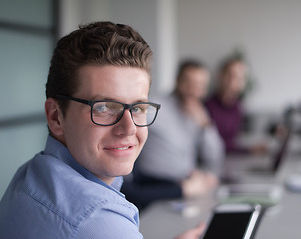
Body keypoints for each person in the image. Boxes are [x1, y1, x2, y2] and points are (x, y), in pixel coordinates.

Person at [0, 21, 204, 239]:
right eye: (105, 107)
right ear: (56, 116)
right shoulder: (98, 221)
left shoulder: (28, 177)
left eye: (138, 108)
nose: (129, 128)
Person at [121, 60, 225, 210]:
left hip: (187, 185)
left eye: (200, 85)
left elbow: (215, 156)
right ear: (177, 80)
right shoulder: (154, 106)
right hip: (155, 187)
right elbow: (130, 127)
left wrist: (205, 125)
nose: (193, 90)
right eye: (188, 83)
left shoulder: (199, 113)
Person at [205, 55, 267, 155]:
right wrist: (247, 150)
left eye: (241, 77)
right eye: (231, 75)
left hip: (231, 158)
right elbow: (215, 146)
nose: (235, 81)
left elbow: (233, 141)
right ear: (221, 76)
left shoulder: (237, 107)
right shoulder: (207, 107)